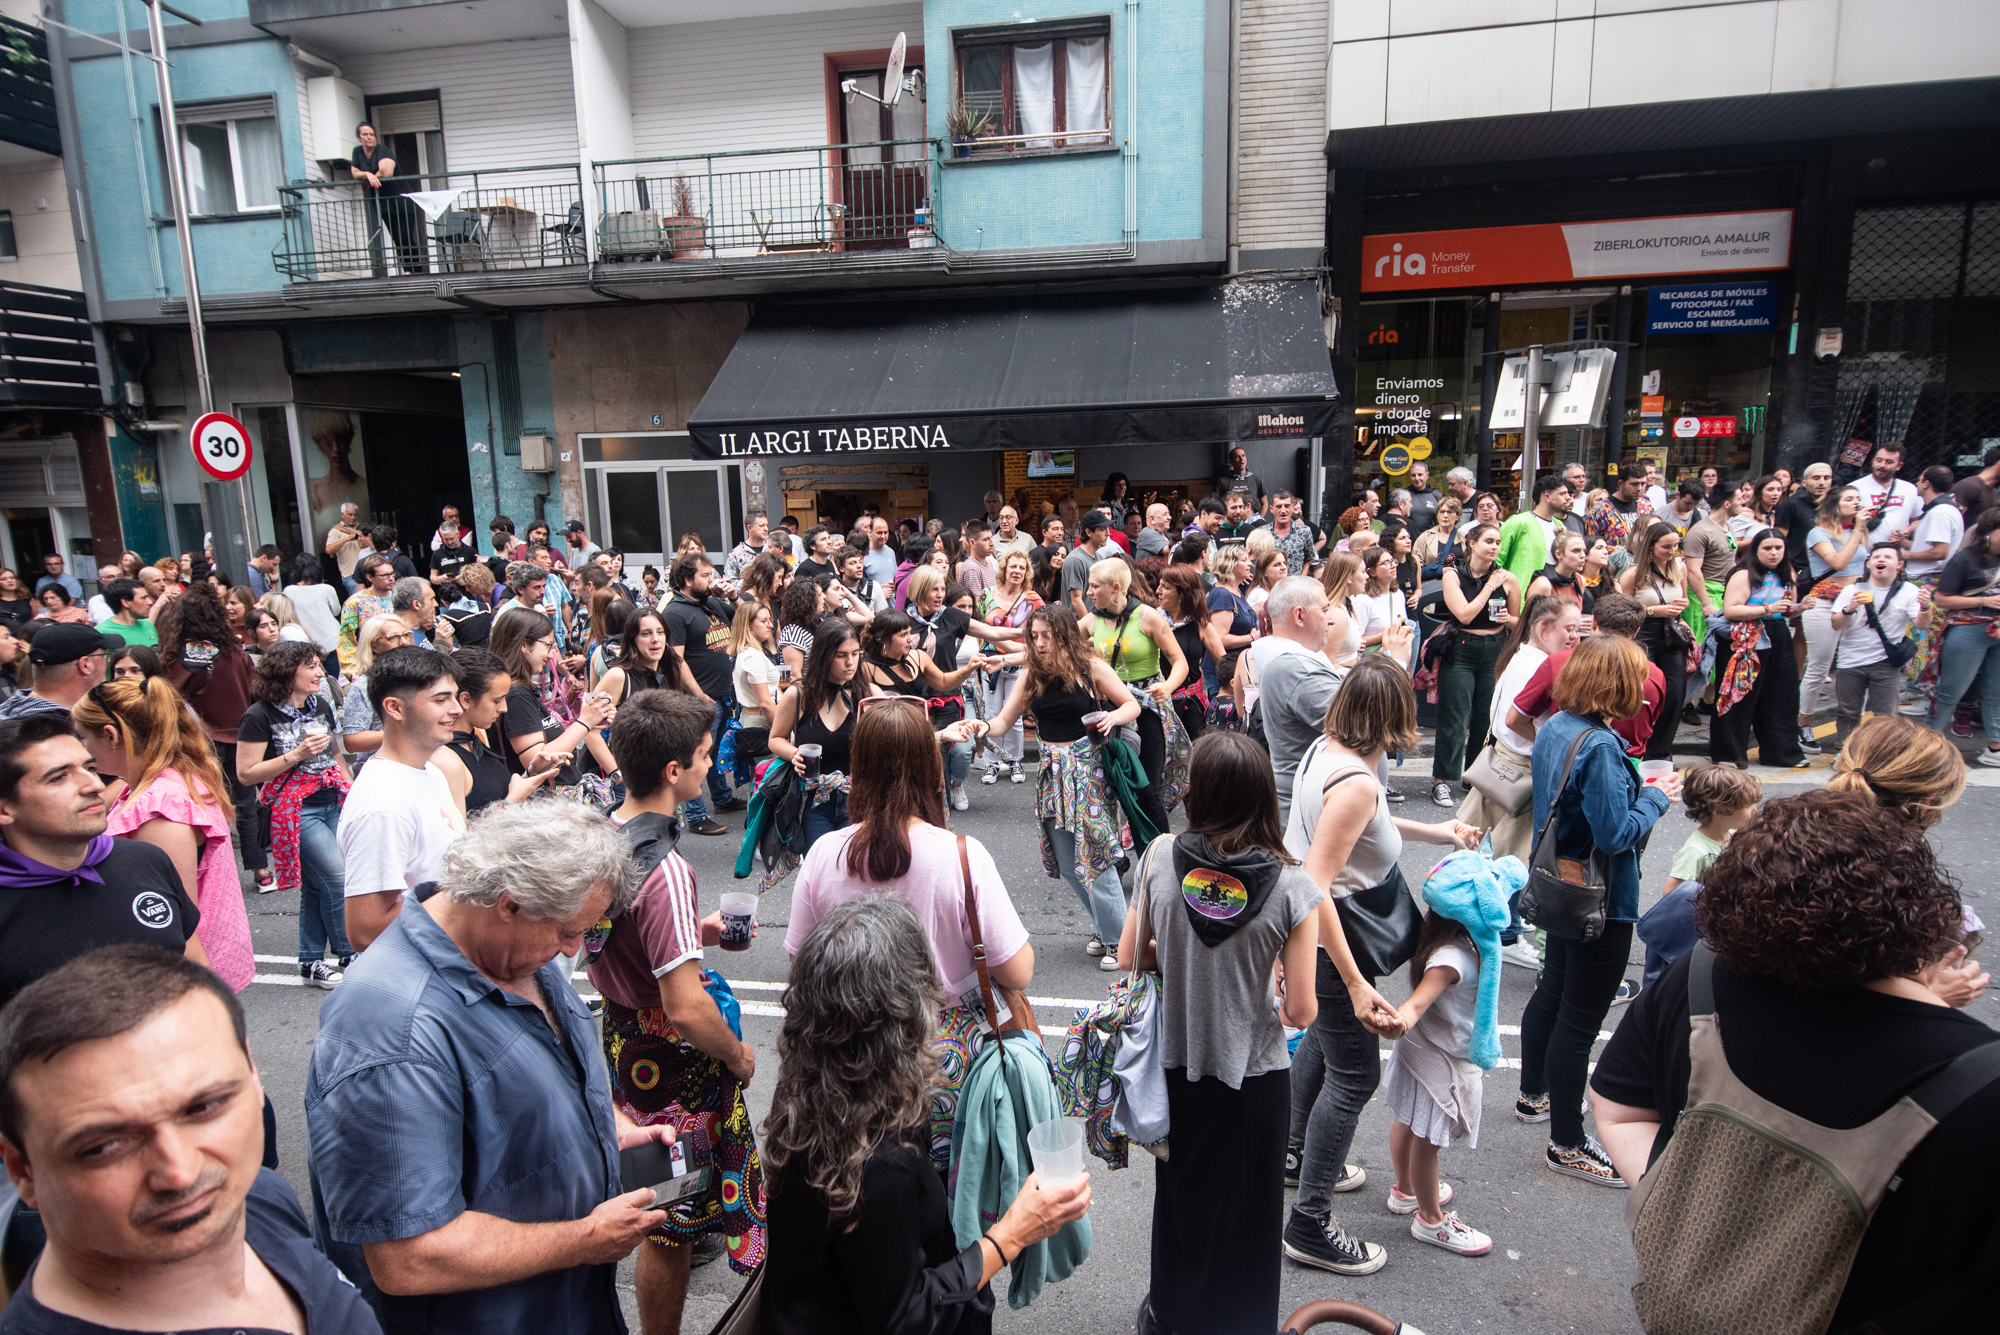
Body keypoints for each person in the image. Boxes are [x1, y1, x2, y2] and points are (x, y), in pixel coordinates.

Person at [1588, 791, 1999, 1330]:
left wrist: (1676, 1207)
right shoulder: (1980, 1083)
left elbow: (1620, 1106)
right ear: (1917, 910)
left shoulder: (1701, 975)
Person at [307, 800, 672, 1332]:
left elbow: (538, 1082)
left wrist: (610, 1131)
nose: (573, 949)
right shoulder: (393, 1032)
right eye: (568, 931)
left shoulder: (507, 951)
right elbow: (410, 1256)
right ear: (510, 903)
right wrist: (584, 1240)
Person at [0, 947, 383, 1335]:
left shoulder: (257, 1196)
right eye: (104, 1147)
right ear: (20, 1169)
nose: (180, 1173)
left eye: (205, 1107)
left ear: (252, 1074)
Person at [759, 895, 1089, 1335]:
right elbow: (905, 1318)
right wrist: (1012, 1233)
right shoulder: (880, 1162)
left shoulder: (811, 1087)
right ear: (905, 1013)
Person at [1113, 733, 1321, 1333]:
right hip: (1253, 1081)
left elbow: (1130, 956)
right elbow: (1300, 1011)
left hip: (1176, 1071)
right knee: (1249, 1218)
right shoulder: (1291, 885)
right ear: (1263, 796)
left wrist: (1183, 956)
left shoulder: (1159, 857)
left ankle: (1170, 1314)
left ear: (1198, 792)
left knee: (1181, 1203)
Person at [1283, 656, 1477, 1276]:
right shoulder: (1358, 782)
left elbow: (1375, 828)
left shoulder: (1327, 751)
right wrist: (1354, 982)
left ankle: (1293, 1152)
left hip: (1327, 939)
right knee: (1354, 1078)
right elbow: (1315, 886)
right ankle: (1309, 1222)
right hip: (1336, 944)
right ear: (1392, 715)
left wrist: (1440, 832)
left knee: (1325, 1045)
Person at [788, 700, 1033, 1175]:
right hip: (945, 1063)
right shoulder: (962, 856)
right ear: (932, 767)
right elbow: (1017, 970)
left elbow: (802, 972)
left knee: (867, 1189)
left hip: (849, 1059)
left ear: (858, 768)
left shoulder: (822, 855)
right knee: (955, 1194)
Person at [592, 691, 766, 1331]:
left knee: (661, 1204)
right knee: (671, 1220)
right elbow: (686, 1007)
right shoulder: (665, 871)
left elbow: (626, 941)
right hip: (668, 1054)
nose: (709, 765)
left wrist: (698, 933)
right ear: (673, 770)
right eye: (703, 755)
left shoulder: (608, 831)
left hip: (623, 1033)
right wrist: (737, 1055)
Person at [1516, 636, 1679, 1186]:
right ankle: (1566, 1143)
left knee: (1553, 991)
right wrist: (1655, 798)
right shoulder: (1603, 747)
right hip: (1600, 898)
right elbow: (1615, 835)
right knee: (1580, 1022)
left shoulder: (1558, 726)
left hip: (1559, 882)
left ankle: (1533, 1095)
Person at [0, 715, 208, 1013]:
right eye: (59, 778)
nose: (94, 785)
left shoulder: (145, 859)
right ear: (5, 809)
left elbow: (199, 975)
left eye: (89, 768)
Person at [972, 606, 1140, 964]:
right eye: (1034, 636)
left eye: (1046, 636)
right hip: (1052, 774)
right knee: (1066, 858)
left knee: (1096, 853)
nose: (1039, 643)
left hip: (1088, 771)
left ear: (1064, 636)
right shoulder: (1032, 674)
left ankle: (1118, 940)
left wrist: (1112, 716)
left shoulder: (1090, 668)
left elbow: (1131, 704)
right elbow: (1003, 722)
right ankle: (1105, 928)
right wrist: (982, 727)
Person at [71, 678, 254, 992]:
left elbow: (171, 921)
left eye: (82, 737)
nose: (81, 748)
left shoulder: (161, 809)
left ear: (110, 735)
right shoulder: (161, 784)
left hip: (173, 982)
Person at [232, 642, 351, 983]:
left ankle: (311, 961)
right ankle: (349, 953)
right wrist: (296, 755)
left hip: (332, 799)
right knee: (337, 878)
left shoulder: (320, 705)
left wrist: (351, 792)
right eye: (311, 666)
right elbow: (246, 774)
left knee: (316, 886)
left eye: (318, 665)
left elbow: (335, 755)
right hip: (295, 809)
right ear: (287, 672)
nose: (320, 672)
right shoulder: (259, 715)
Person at [159, 584, 271, 889]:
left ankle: (214, 874)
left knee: (204, 806)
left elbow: (166, 697)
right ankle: (261, 870)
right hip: (241, 737)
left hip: (197, 742)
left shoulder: (175, 657)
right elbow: (255, 695)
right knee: (245, 806)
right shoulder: (236, 654)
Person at [862, 588, 1011, 812]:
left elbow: (942, 681)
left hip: (922, 739)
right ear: (884, 639)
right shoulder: (866, 670)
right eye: (903, 635)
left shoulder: (917, 656)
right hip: (890, 749)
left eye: (910, 632)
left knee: (930, 800)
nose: (911, 639)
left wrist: (967, 670)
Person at [1461, 594, 1582, 866]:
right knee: (1509, 861)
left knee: (1479, 852)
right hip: (1523, 769)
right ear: (1543, 626)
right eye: (1569, 629)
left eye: (1577, 629)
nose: (1575, 637)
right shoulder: (1540, 666)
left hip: (1500, 762)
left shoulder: (1520, 654)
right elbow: (1515, 721)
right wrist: (1550, 746)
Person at [1079, 556, 1190, 839]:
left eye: (1095, 586)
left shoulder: (1147, 616)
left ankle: (1161, 852)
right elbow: (1056, 646)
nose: (1088, 592)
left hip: (1148, 710)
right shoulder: (1092, 620)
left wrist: (1168, 687)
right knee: (1115, 786)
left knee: (1147, 789)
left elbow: (1179, 662)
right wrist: (1005, 658)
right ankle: (1124, 848)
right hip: (1109, 711)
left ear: (1116, 587)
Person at [1431, 523, 1520, 806]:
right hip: (1462, 647)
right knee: (1454, 716)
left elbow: (1518, 622)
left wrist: (1509, 619)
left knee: (1486, 717)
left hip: (1495, 649)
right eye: (1489, 541)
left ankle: (1474, 777)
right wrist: (1490, 586)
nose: (1495, 547)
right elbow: (1465, 615)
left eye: (1498, 542)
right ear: (1472, 544)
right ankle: (1442, 780)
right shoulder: (1453, 574)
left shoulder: (1509, 579)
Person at [1711, 528, 1809, 769]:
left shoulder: (1787, 573)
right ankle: (1728, 754)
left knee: (1782, 694)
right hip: (1746, 637)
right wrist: (1767, 609)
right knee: (1738, 695)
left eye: (1778, 548)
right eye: (1767, 548)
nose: (1774, 553)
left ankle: (1782, 753)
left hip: (1778, 634)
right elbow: (1732, 609)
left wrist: (1800, 607)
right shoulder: (1743, 574)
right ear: (1756, 550)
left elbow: (1786, 610)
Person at [660, 552, 744, 826]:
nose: (711, 580)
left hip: (724, 693)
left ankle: (721, 799)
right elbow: (676, 659)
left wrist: (734, 597)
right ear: (687, 579)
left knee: (716, 752)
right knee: (695, 754)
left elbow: (747, 617)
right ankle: (696, 815)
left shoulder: (714, 603)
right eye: (705, 575)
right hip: (701, 697)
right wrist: (698, 694)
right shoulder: (675, 612)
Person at [1252, 577, 1341, 827]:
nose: (1331, 619)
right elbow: (1366, 725)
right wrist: (1396, 662)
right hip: (1314, 818)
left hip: (1314, 809)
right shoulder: (1298, 669)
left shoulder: (1293, 663)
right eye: (1324, 610)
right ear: (1299, 616)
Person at [430, 647, 554, 819]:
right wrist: (511, 801)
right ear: (466, 699)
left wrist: (531, 774)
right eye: (497, 701)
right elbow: (460, 833)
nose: (504, 708)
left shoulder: (475, 737)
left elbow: (493, 792)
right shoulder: (445, 760)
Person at [1828, 543, 1929, 748]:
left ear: (1899, 564)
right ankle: (1845, 751)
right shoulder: (1854, 589)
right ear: (1868, 563)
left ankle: (1882, 753)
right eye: (1876, 557)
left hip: (1886, 661)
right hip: (1851, 659)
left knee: (1886, 716)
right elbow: (1836, 624)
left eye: (1888, 557)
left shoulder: (1908, 590)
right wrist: (1851, 608)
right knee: (1848, 712)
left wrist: (1926, 607)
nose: (1881, 560)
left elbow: (1921, 625)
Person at [1616, 520, 1698, 760]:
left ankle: (1661, 753)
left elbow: (1684, 599)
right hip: (1643, 634)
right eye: (1666, 546)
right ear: (1650, 546)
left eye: (1676, 546)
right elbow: (1621, 609)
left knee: (1675, 694)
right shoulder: (1633, 573)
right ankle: (1637, 749)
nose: (1672, 551)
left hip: (1671, 634)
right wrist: (1653, 610)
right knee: (1644, 693)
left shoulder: (1679, 568)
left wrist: (1682, 606)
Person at [1925, 507, 2000, 765]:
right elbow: (1941, 599)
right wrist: (1984, 601)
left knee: (1996, 691)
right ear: (1988, 533)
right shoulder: (1963, 560)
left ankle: (1995, 747)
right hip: (1968, 628)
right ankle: (1928, 746)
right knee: (1950, 691)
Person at [975, 550, 1039, 785]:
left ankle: (1014, 761)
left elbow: (1040, 630)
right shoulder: (987, 594)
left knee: (1015, 717)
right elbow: (979, 626)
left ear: (1027, 572)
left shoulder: (1033, 599)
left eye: (1022, 568)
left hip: (1019, 662)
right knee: (991, 714)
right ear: (1004, 569)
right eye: (1013, 566)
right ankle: (992, 762)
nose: (1017, 571)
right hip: (989, 663)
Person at [0, 625, 110, 722]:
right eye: (104, 656)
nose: (107, 661)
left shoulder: (10, 713)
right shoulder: (59, 732)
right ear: (85, 665)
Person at [1497, 473, 1571, 590]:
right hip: (1521, 594)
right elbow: (1496, 558)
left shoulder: (1559, 525)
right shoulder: (1518, 522)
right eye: (1562, 494)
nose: (1568, 497)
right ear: (1547, 497)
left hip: (1554, 593)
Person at [336, 554, 398, 675]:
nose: (391, 578)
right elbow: (346, 640)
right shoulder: (355, 602)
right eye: (385, 575)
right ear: (370, 577)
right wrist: (352, 671)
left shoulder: (399, 596)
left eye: (392, 574)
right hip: (370, 666)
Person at [729, 599, 781, 734]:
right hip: (761, 723)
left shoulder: (749, 652)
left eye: (770, 620)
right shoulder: (752, 655)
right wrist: (784, 730)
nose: (770, 625)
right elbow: (765, 704)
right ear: (749, 626)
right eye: (764, 621)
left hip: (757, 719)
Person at [92, 579, 156, 648]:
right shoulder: (101, 633)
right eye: (143, 598)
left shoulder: (147, 624)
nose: (150, 602)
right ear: (126, 602)